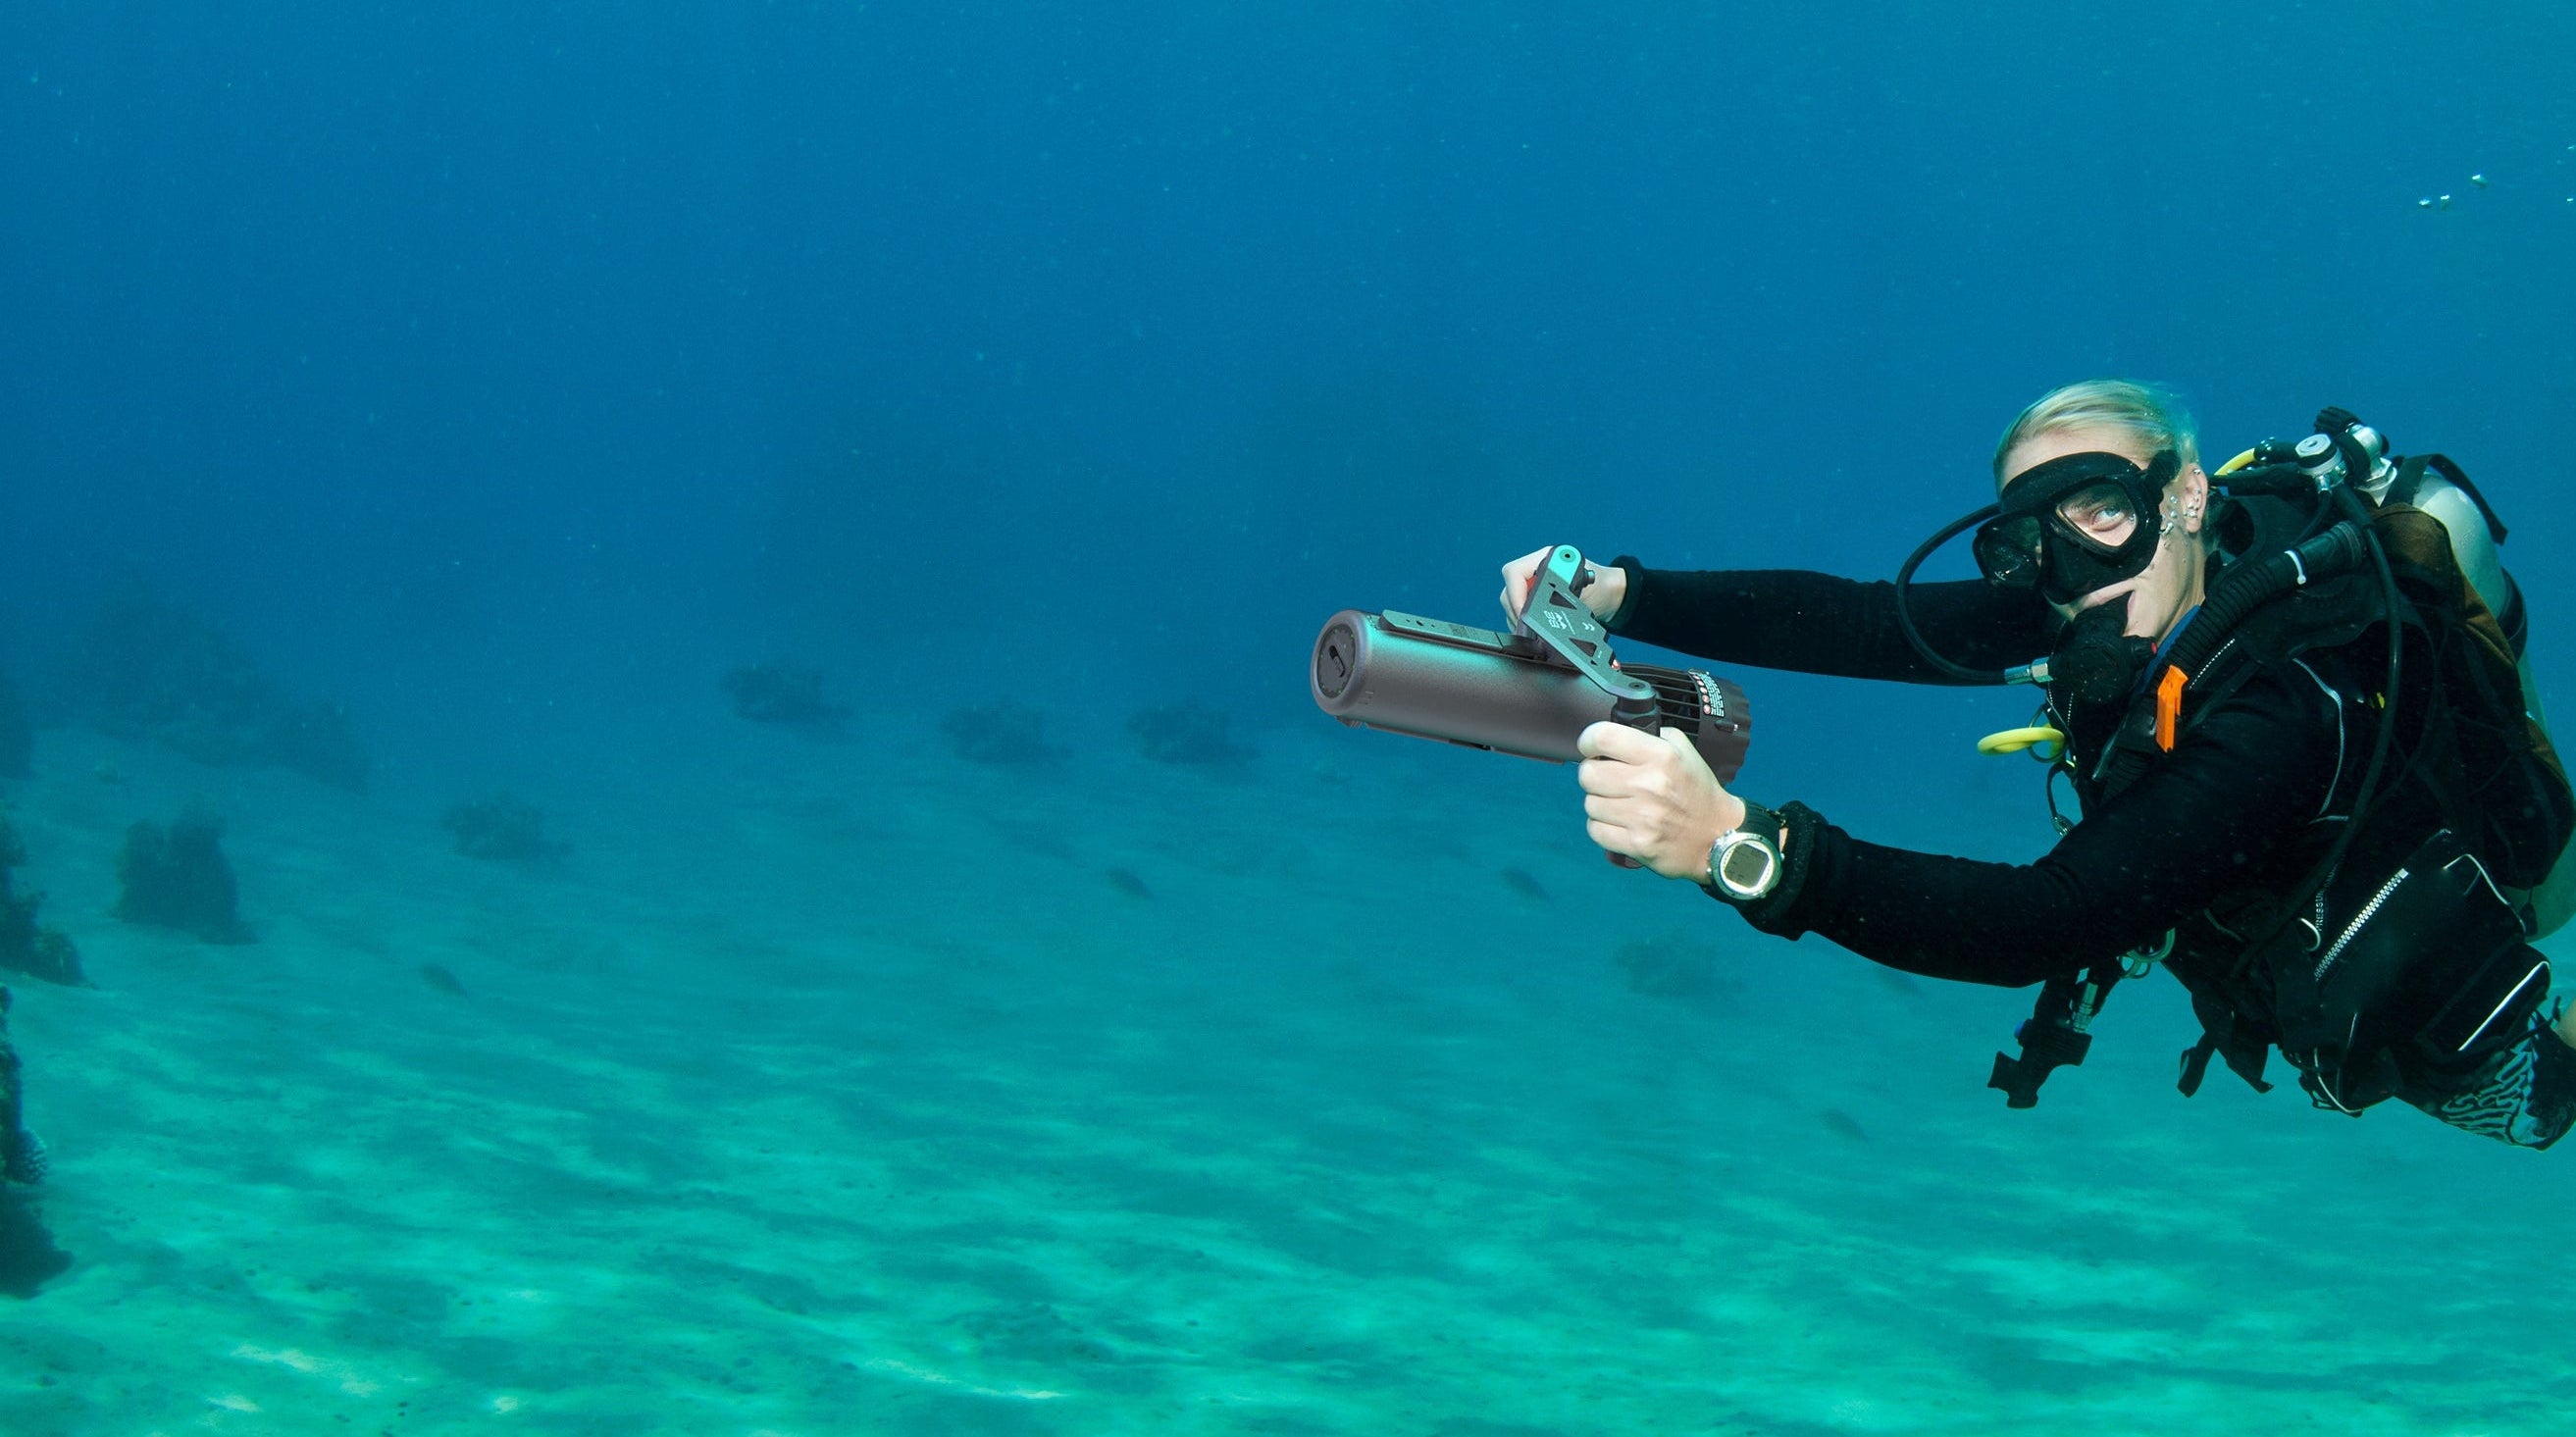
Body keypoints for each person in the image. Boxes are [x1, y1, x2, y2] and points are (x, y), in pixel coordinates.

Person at [1502, 380, 2576, 1147]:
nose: (2068, 568)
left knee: (2531, 1107)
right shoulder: (2104, 587)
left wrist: (1740, 847)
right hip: (2269, 900)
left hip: (2456, 894)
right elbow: (1864, 623)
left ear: (2185, 496)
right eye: (2028, 540)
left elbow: (2042, 922)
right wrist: (1621, 591)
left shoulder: (2282, 709)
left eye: (2100, 506)